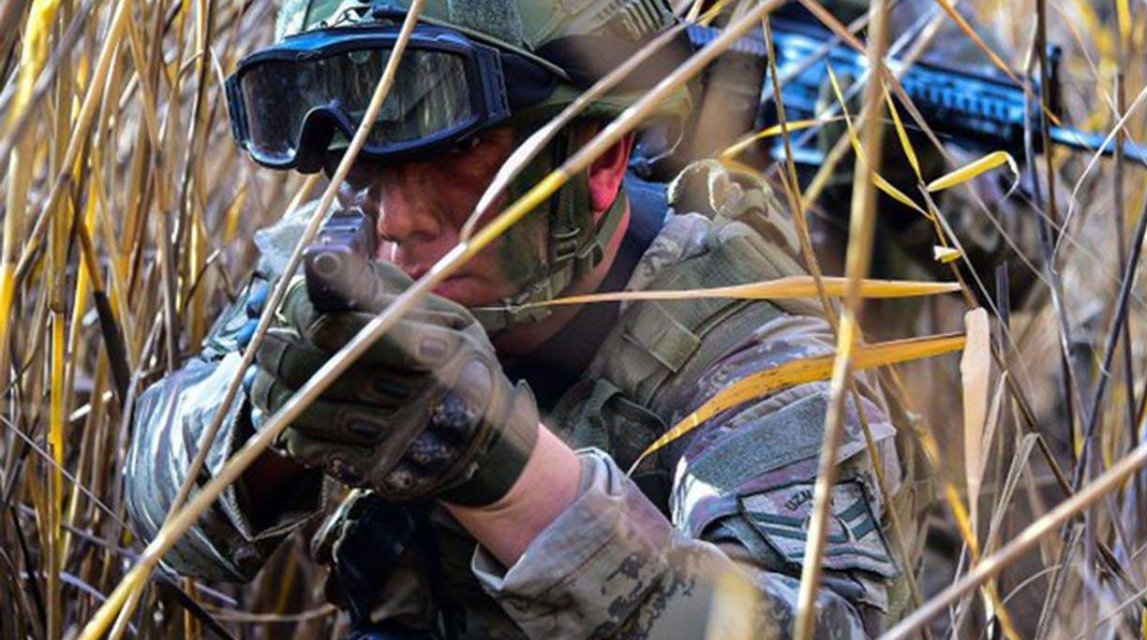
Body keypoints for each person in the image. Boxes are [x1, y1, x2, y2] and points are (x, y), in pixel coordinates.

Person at [125, 0, 911, 637]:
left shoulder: (753, 351)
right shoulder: (345, 247)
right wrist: (276, 410)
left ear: (600, 159)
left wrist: (504, 475)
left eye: (458, 150)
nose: (397, 220)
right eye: (364, 158)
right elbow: (160, 517)